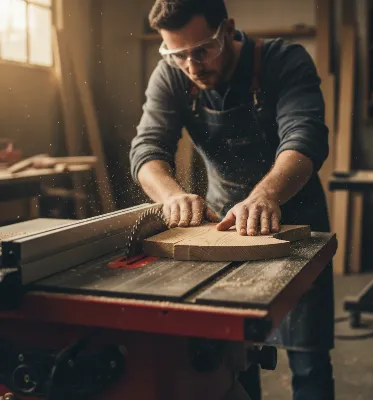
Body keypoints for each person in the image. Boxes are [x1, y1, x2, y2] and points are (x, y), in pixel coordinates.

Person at [129, 1, 335, 399]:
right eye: (178, 54)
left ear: (227, 29)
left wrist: (265, 196)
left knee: (308, 361)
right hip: (222, 230)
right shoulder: (171, 74)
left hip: (297, 223)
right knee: (233, 363)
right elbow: (147, 149)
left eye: (203, 49)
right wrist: (171, 195)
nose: (192, 65)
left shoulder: (283, 60)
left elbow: (304, 138)